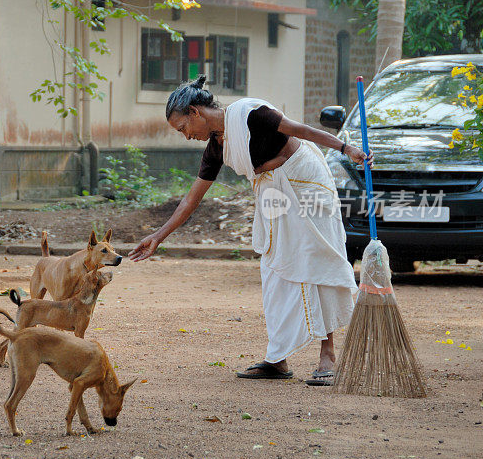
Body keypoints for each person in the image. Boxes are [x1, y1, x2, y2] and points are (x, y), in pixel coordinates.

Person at [128, 75, 372, 385]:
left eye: (183, 128)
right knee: (274, 268)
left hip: (305, 182)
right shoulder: (216, 147)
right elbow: (192, 199)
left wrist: (346, 148)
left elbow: (301, 131)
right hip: (272, 193)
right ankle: (278, 358)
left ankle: (328, 355)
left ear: (195, 112)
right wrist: (158, 236)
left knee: (316, 259)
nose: (185, 135)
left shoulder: (251, 113)